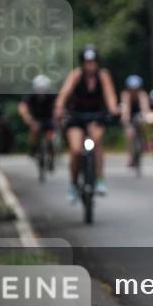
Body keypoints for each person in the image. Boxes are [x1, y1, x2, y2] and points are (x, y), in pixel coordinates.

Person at [53, 46, 120, 202]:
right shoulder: (76, 75)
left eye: (93, 62)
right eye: (87, 62)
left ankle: (99, 179)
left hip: (96, 116)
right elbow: (64, 94)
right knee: (76, 150)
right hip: (76, 117)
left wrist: (113, 109)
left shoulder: (103, 75)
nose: (91, 65)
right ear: (82, 63)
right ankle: (73, 184)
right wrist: (59, 108)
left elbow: (110, 95)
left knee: (96, 143)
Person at [19, 75, 57, 160]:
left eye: (43, 88)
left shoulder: (52, 95)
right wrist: (26, 117)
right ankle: (32, 149)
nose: (41, 91)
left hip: (48, 119)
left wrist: (57, 116)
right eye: (39, 88)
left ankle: (51, 156)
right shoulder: (30, 95)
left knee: (49, 138)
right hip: (35, 119)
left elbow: (58, 106)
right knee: (34, 130)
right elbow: (23, 106)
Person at [120, 74, 152, 165]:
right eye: (132, 89)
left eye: (136, 89)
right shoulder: (125, 95)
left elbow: (145, 108)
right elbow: (125, 111)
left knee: (144, 126)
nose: (134, 91)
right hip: (129, 115)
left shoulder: (142, 95)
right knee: (129, 134)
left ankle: (147, 143)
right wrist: (125, 121)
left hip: (139, 115)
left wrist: (146, 117)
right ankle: (130, 156)